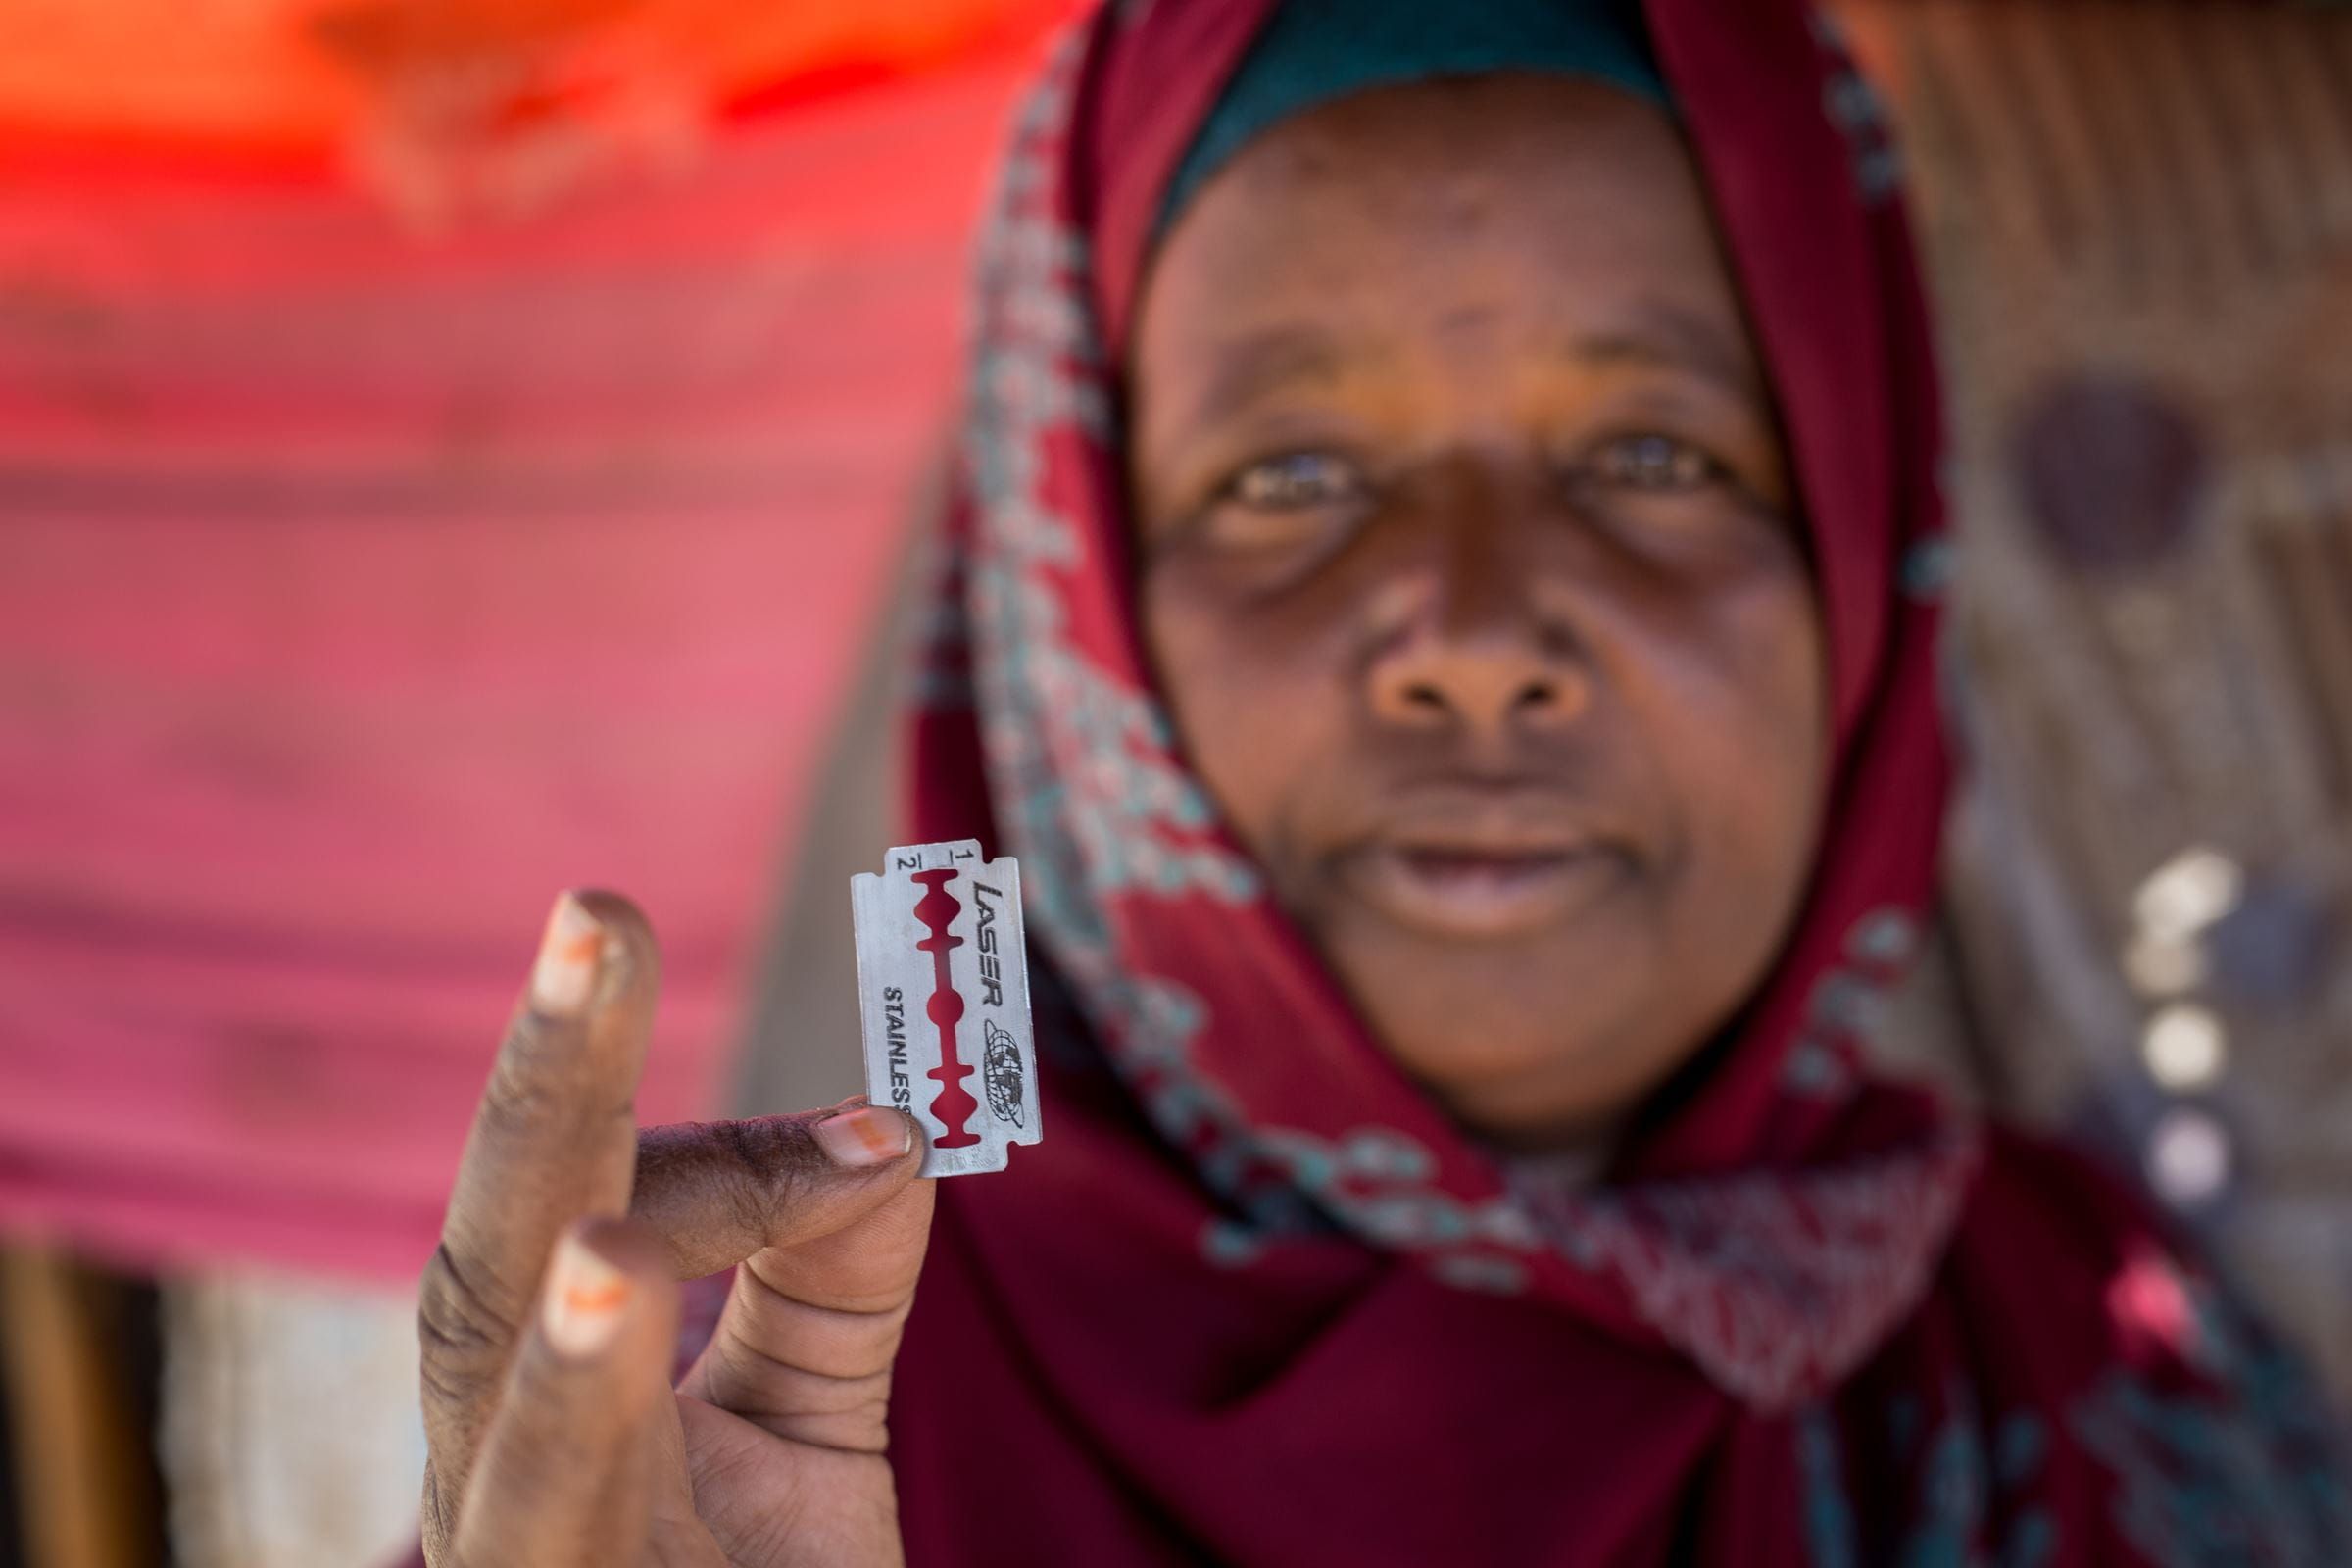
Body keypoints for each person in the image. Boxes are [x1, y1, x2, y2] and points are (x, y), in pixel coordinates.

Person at [411, 1, 2350, 1563]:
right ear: (1068, 638)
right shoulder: (700, 1469)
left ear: (1867, 557)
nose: (1477, 624)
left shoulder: (2130, 1400)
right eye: (1293, 479)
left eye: (1655, 457)